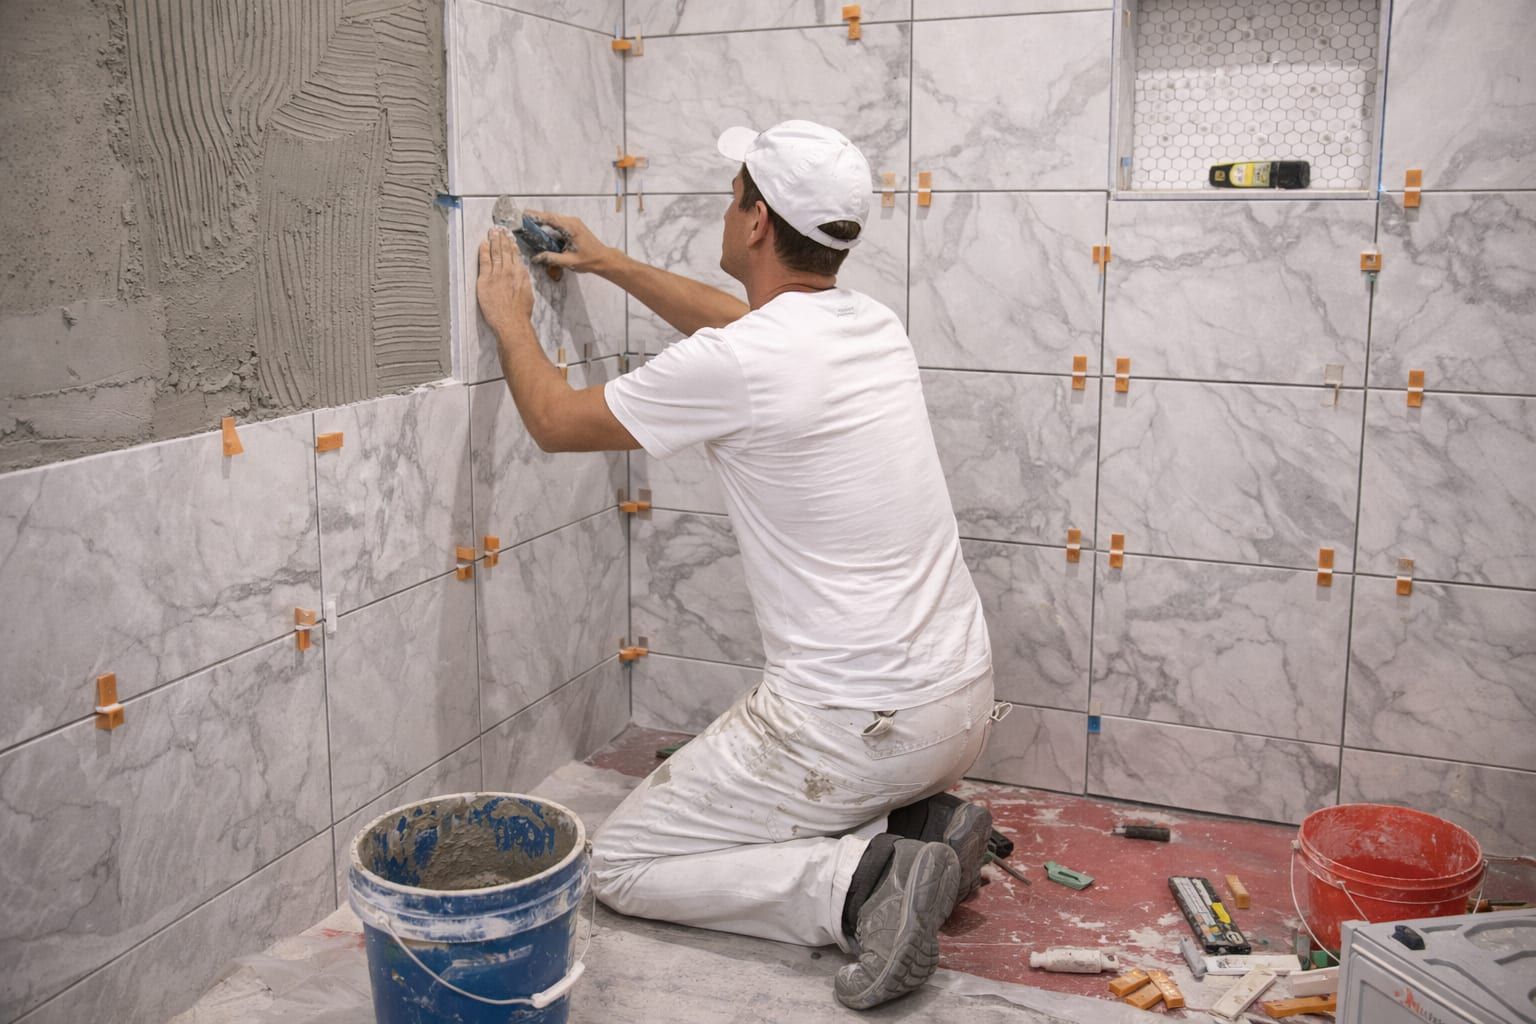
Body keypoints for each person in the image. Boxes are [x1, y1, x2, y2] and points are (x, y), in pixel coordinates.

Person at [475, 119, 1002, 1010]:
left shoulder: (749, 359)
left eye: (734, 196)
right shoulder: (869, 325)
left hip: (855, 726)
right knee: (772, 800)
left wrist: (511, 320)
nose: (727, 211)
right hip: (958, 702)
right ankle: (924, 823)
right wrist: (610, 265)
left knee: (628, 864)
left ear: (756, 222)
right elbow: (744, 330)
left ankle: (867, 882)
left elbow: (557, 422)